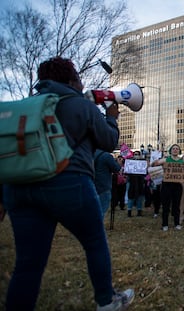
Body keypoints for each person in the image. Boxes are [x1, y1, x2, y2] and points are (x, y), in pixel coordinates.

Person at [2, 57, 134, 310]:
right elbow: (108, 141)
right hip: (68, 182)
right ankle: (106, 301)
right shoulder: (80, 105)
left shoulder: (26, 106)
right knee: (94, 242)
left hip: (20, 189)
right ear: (72, 79)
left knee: (28, 263)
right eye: (78, 77)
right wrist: (111, 116)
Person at [152, 144, 184, 231]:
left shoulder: (182, 161)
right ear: (171, 150)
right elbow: (155, 164)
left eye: (177, 149)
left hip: (177, 185)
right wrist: (157, 158)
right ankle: (165, 224)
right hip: (167, 184)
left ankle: (177, 223)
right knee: (166, 205)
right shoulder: (166, 159)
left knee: (176, 205)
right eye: (173, 149)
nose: (175, 150)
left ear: (179, 151)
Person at [94, 149, 121, 218]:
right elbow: (116, 168)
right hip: (103, 186)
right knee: (101, 211)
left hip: (91, 185)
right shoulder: (106, 156)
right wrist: (119, 163)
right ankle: (97, 228)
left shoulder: (90, 153)